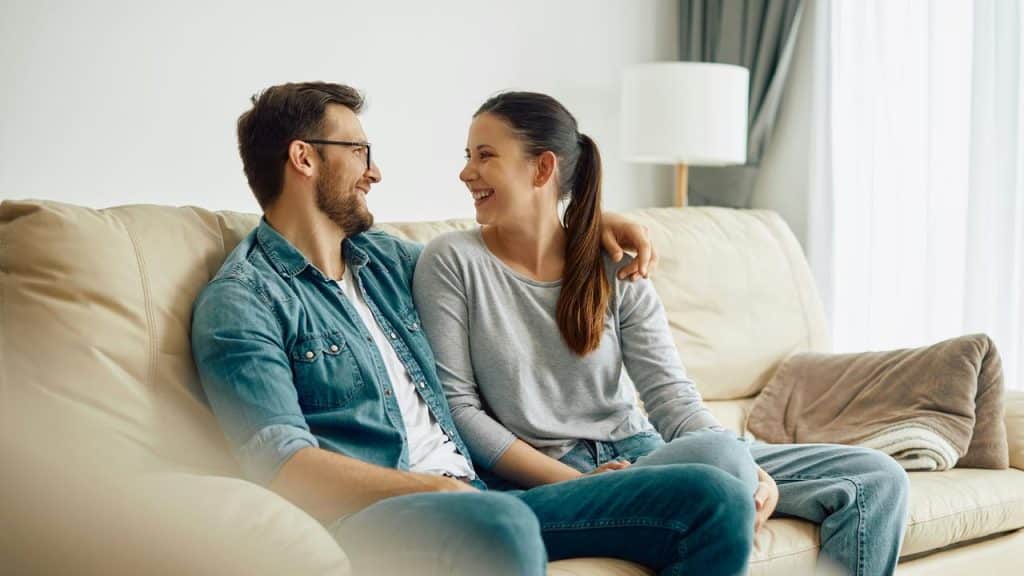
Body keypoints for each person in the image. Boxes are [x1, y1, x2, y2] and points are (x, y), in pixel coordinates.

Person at [191, 81, 755, 576]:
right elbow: (283, 464)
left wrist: (584, 227)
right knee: (501, 525)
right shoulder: (243, 302)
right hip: (384, 514)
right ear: (304, 158)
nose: (375, 171)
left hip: (485, 496)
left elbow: (502, 252)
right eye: (360, 150)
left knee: (714, 498)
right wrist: (435, 487)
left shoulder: (384, 261)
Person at [413, 91, 912, 576]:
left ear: (541, 169)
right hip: (553, 473)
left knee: (877, 477)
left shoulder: (612, 262)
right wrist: (582, 482)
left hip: (646, 451)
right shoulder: (451, 261)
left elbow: (671, 395)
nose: (466, 172)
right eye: (468, 155)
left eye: (485, 155)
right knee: (720, 461)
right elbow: (459, 410)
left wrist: (738, 462)